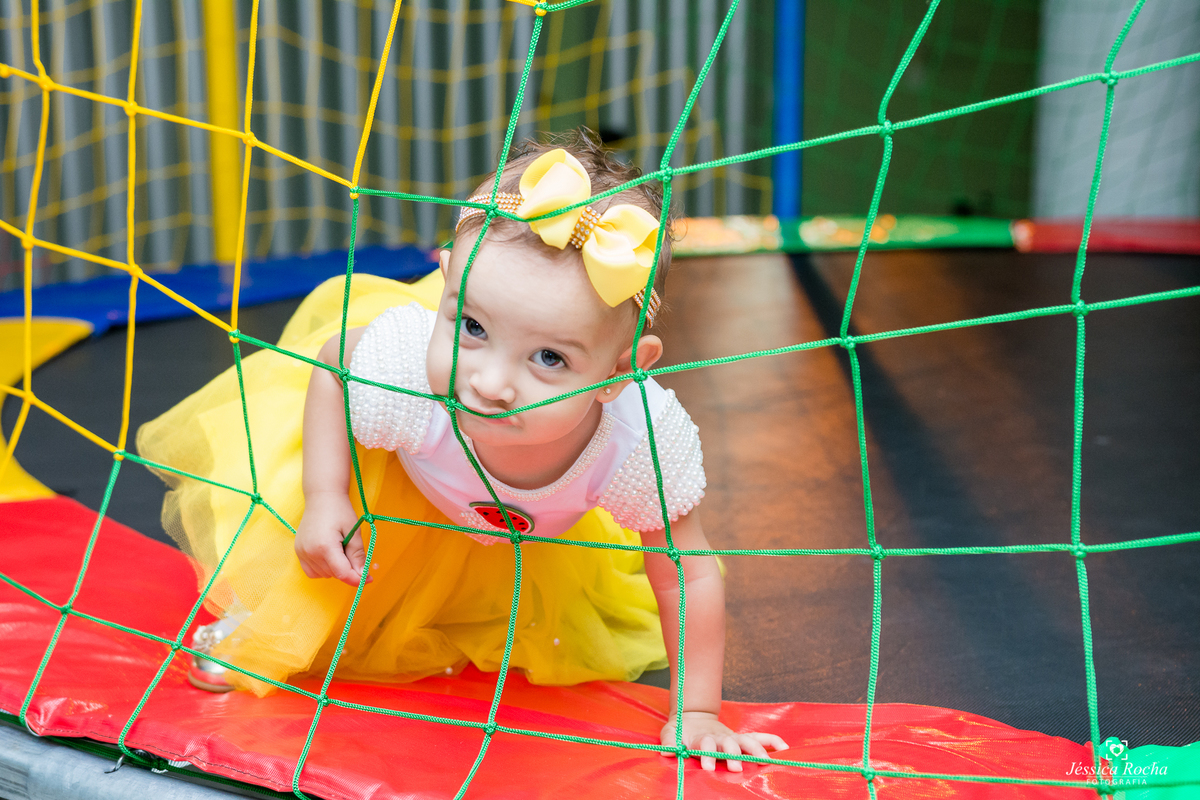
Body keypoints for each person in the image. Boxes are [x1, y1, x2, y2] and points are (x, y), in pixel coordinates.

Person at [139, 130, 786, 771]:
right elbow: (335, 361)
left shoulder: (639, 444)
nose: (491, 383)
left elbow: (688, 569)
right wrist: (324, 495)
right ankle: (259, 625)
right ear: (445, 281)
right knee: (316, 549)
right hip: (392, 477)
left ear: (621, 375)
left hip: (502, 527)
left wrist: (697, 712)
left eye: (550, 358)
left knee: (474, 616)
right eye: (471, 327)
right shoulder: (407, 369)